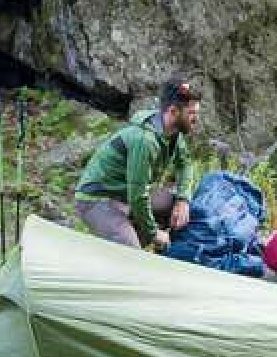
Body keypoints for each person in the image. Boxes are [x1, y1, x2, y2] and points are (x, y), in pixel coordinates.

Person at [74, 75, 200, 250]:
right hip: (98, 200)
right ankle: (126, 243)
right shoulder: (145, 140)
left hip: (125, 195)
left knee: (176, 207)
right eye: (191, 113)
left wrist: (183, 199)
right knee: (131, 253)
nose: (196, 119)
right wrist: (154, 233)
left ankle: (140, 240)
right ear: (173, 112)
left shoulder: (173, 133)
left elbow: (185, 164)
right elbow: (138, 196)